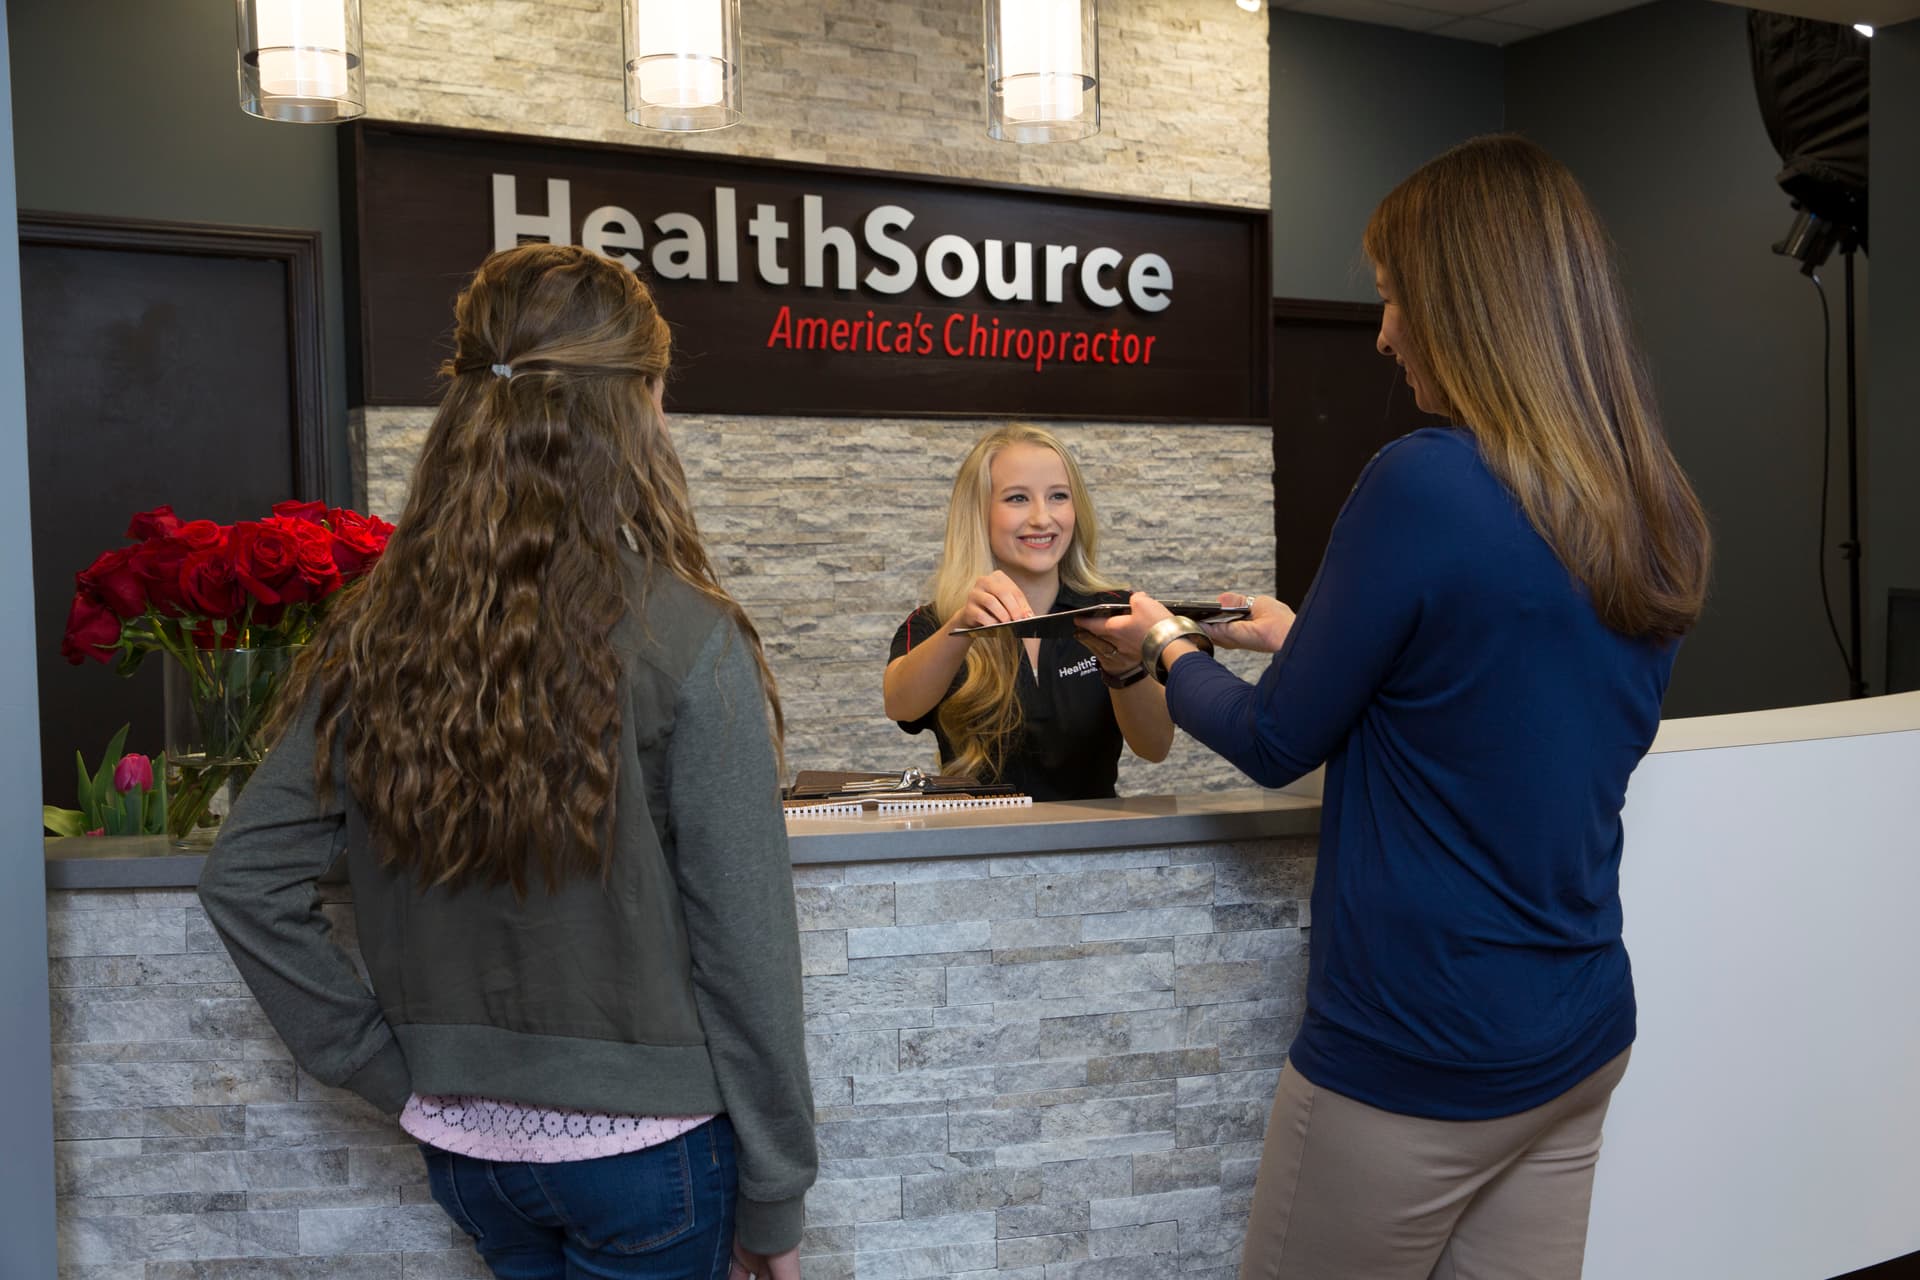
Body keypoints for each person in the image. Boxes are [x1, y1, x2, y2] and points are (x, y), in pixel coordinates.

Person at [1083, 134, 1712, 1280]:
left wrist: (1166, 645)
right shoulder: (1645, 500)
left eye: (1393, 298)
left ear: (1467, 307)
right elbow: (1510, 686)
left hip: (1418, 1055)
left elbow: (1278, 742)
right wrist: (1305, 638)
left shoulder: (1423, 481)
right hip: (1577, 1034)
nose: (1381, 331)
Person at [197, 243, 815, 1280]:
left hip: (473, 1158)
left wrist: (397, 1074)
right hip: (651, 1155)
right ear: (633, 411)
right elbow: (745, 950)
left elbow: (243, 875)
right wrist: (778, 1194)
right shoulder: (685, 635)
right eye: (659, 397)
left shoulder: (375, 630)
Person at [882, 423, 1173, 800]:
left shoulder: (1116, 612)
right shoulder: (936, 623)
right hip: (979, 848)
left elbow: (1155, 746)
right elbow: (900, 705)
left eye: (1058, 496)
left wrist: (1123, 666)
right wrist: (962, 626)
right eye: (1017, 498)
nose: (1041, 517)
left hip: (1093, 845)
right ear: (979, 513)